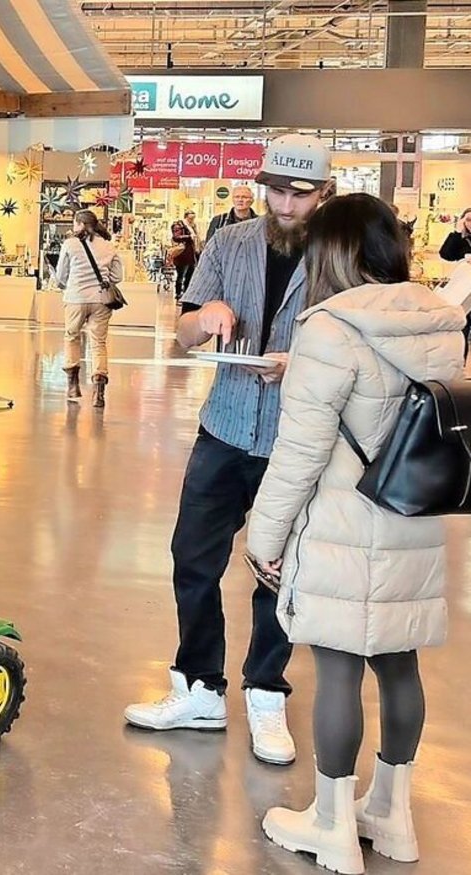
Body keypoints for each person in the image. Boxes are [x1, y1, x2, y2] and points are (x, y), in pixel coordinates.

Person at [246, 194, 461, 873]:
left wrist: (263, 535)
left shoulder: (329, 330)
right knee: (400, 663)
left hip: (342, 521)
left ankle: (332, 824)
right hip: (413, 514)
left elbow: (301, 451)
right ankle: (392, 815)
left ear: (333, 253)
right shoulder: (442, 321)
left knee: (337, 665)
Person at [124, 134, 335, 767]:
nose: (286, 205)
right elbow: (187, 334)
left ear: (324, 193)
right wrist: (205, 312)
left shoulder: (341, 256)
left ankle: (266, 693)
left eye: (300, 194)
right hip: (223, 427)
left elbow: (358, 348)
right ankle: (199, 687)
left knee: (278, 568)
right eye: (276, 190)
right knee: (193, 556)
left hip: (298, 440)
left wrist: (301, 364)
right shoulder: (229, 242)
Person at [53, 209, 123, 408]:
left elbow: (61, 276)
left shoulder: (70, 244)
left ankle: (73, 385)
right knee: (98, 342)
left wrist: (64, 283)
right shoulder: (109, 246)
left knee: (72, 336)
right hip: (101, 300)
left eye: (75, 223)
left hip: (75, 298)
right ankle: (98, 392)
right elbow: (117, 277)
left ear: (81, 224)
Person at [170, 210, 201, 300]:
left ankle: (187, 293)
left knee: (190, 275)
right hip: (182, 255)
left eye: (193, 218)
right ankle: (178, 293)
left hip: (190, 255)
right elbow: (176, 237)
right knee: (181, 275)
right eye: (191, 218)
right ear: (186, 217)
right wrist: (189, 237)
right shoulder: (179, 225)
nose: (192, 220)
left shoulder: (192, 226)